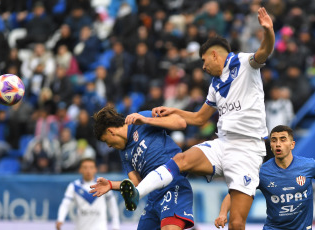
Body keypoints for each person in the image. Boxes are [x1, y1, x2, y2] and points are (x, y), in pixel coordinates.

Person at [120, 7, 275, 230]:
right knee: (181, 160)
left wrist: (268, 32)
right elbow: (200, 118)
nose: (202, 66)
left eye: (204, 60)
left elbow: (263, 52)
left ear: (214, 55)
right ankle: (137, 193)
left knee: (237, 223)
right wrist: (172, 111)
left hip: (247, 149)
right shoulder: (214, 84)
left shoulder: (243, 63)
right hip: (223, 144)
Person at [90, 106, 194, 230]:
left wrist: (146, 120)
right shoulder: (124, 153)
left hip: (173, 186)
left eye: (106, 141)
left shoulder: (140, 118)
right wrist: (111, 185)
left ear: (111, 131)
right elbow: (136, 183)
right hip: (153, 197)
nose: (109, 146)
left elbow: (180, 123)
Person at [215, 125, 315, 230]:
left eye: (283, 140)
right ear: (270, 145)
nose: (278, 144)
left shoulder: (309, 166)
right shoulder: (261, 172)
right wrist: (223, 213)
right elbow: (236, 192)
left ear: (292, 145)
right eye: (274, 140)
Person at [56, 158, 120, 230]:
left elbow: (112, 205)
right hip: (81, 227)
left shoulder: (103, 184)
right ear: (80, 170)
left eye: (91, 167)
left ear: (95, 169)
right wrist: (60, 219)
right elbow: (65, 204)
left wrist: (116, 225)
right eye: (85, 167)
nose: (88, 170)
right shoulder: (74, 186)